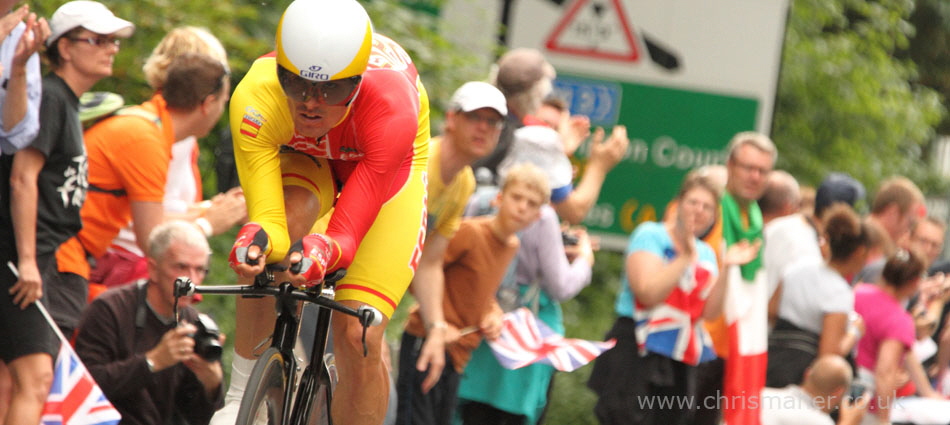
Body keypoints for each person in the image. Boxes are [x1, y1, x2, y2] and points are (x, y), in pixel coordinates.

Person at [216, 1, 430, 424]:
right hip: (308, 162)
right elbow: (270, 222)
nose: (311, 104)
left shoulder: (391, 107)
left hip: (383, 172)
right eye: (295, 84)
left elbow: (345, 238)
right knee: (267, 250)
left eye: (331, 90)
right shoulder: (256, 98)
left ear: (356, 82)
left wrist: (323, 252)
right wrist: (256, 241)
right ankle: (242, 399)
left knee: (358, 333)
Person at [0, 2, 131, 424]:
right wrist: (25, 260)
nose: (110, 48)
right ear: (66, 48)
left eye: (113, 40)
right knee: (34, 378)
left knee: (23, 379)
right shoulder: (53, 97)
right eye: (98, 39)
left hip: (43, 257)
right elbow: (22, 177)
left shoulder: (69, 104)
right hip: (24, 255)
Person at [54, 52, 229, 336]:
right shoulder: (145, 139)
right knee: (37, 373)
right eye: (224, 102)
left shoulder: (145, 124)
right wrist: (209, 224)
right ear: (208, 104)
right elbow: (152, 241)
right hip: (62, 256)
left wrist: (205, 209)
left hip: (72, 254)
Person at [589, 173, 759, 425]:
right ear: (678, 203)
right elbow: (647, 293)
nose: (698, 211)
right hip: (637, 348)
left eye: (707, 207)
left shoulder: (707, 253)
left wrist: (728, 269)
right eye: (693, 203)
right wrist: (683, 257)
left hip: (679, 354)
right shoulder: (651, 235)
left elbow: (708, 312)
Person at [89, 26, 246, 290]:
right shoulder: (147, 135)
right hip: (116, 266)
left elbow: (163, 211)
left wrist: (213, 209)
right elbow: (148, 232)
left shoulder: (168, 132)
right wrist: (208, 222)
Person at [396, 163, 550, 425]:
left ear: (538, 216)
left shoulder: (512, 245)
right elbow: (421, 270)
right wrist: (440, 324)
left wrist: (493, 314)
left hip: (458, 353)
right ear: (498, 198)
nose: (522, 207)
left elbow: (483, 291)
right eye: (516, 197)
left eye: (532, 203)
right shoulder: (471, 231)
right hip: (426, 338)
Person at [410, 80, 507, 395]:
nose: (483, 128)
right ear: (451, 118)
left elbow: (430, 261)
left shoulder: (464, 183)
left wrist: (437, 327)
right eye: (473, 117)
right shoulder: (421, 161)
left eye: (492, 122)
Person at [75, 221, 223, 425]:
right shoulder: (110, 309)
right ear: (153, 269)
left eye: (199, 270)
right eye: (181, 267)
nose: (191, 281)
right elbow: (85, 386)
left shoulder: (195, 324)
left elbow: (196, 418)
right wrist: (152, 362)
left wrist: (212, 384)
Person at [766, 204, 870, 388]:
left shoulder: (797, 267)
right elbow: (828, 355)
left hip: (772, 359)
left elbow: (772, 310)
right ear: (860, 252)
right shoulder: (839, 291)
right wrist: (854, 332)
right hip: (799, 373)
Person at [716, 131, 777, 425]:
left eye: (762, 171)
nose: (755, 177)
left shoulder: (754, 218)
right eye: (748, 168)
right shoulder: (710, 205)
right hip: (704, 341)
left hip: (737, 345)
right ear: (729, 165)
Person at [853, 249, 927, 424]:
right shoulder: (899, 320)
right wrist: (884, 419)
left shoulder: (858, 293)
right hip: (865, 403)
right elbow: (885, 372)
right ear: (914, 281)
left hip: (835, 391)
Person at [760, 355, 869, 425]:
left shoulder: (761, 395)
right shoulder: (818, 421)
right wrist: (847, 422)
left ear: (807, 374)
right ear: (839, 391)